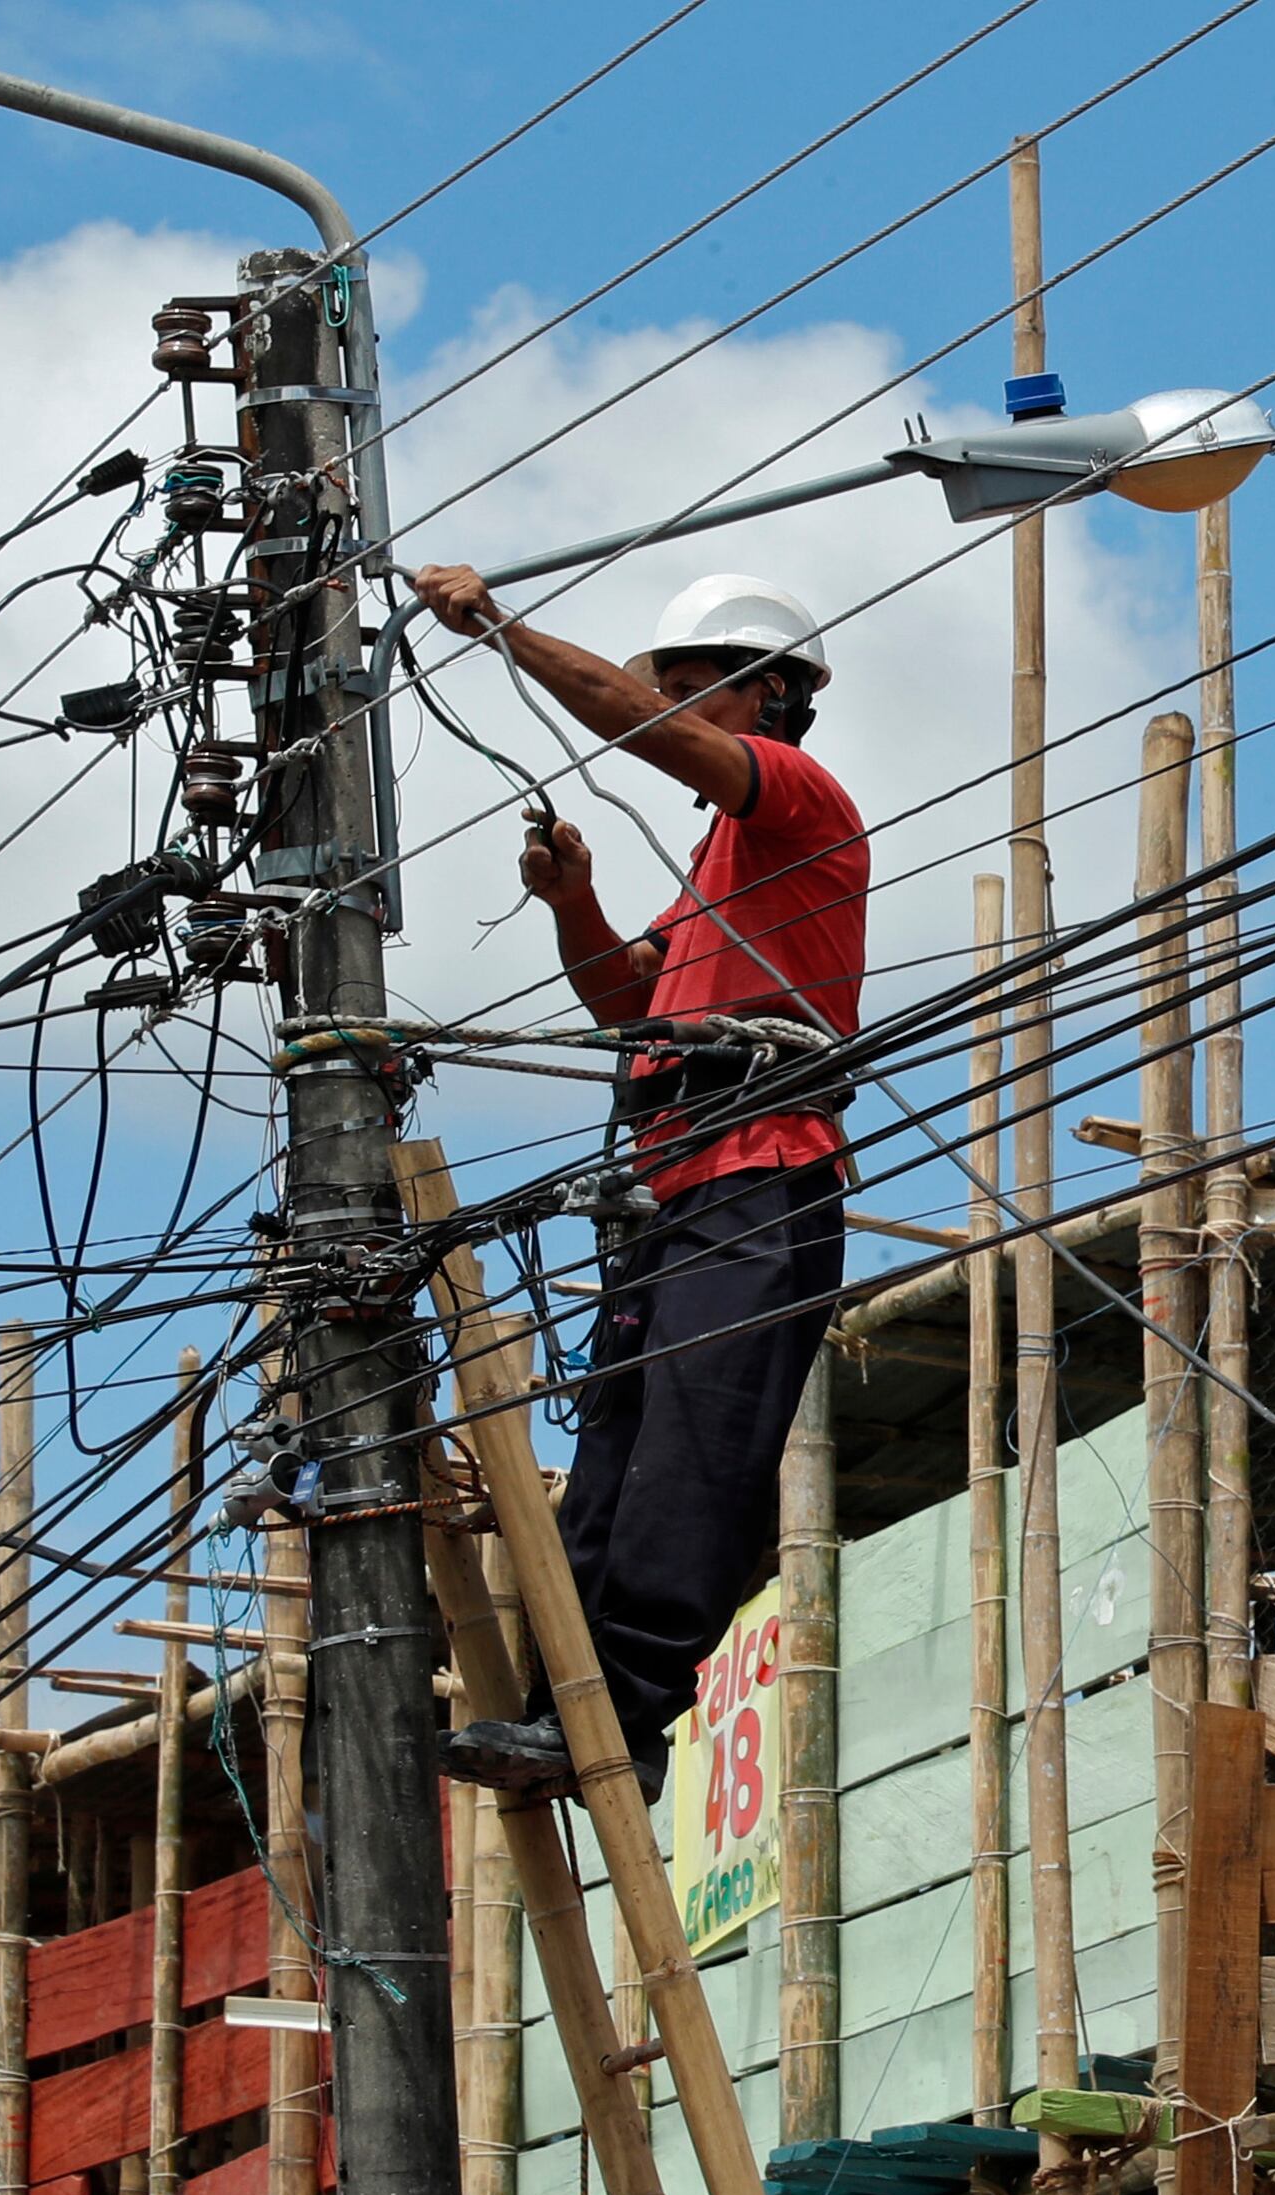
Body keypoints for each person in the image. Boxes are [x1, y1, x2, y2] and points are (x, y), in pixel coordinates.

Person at [401, 563, 868, 1800]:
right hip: (669, 1190)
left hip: (763, 1172)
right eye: (668, 685)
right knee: (613, 1458)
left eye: (695, 687)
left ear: (771, 696)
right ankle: (567, 1713)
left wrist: (498, 627)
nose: (670, 706)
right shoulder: (712, 865)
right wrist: (577, 903)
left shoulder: (800, 799)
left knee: (693, 1456)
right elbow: (627, 1000)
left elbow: (633, 725)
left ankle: (625, 1718)